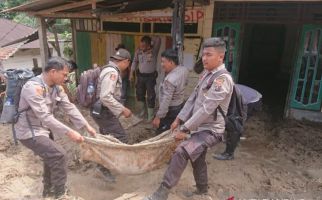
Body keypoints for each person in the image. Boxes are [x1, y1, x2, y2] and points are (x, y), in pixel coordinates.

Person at [144, 37, 234, 200]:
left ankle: (161, 193)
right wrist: (178, 119)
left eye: (209, 54)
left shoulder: (222, 79)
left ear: (221, 56)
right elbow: (192, 99)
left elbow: (207, 109)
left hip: (211, 130)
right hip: (199, 128)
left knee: (182, 151)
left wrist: (185, 129)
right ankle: (202, 189)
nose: (204, 58)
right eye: (203, 54)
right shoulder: (207, 74)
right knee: (197, 157)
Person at [14, 57, 97, 199]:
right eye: (64, 74)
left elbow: (69, 107)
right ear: (53, 72)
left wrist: (86, 125)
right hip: (29, 132)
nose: (66, 78)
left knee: (50, 157)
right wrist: (70, 132)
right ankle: (60, 193)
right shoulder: (33, 88)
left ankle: (48, 191)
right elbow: (45, 117)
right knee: (59, 155)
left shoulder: (57, 88)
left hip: (44, 130)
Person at [91, 48, 132, 182]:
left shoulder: (108, 69)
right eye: (128, 64)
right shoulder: (112, 72)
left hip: (100, 111)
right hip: (103, 111)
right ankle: (107, 166)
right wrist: (122, 109)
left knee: (107, 139)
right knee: (121, 137)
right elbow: (105, 97)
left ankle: (103, 167)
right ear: (126, 62)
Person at [213, 84, 262, 160]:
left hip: (252, 101)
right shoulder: (224, 88)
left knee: (234, 124)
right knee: (234, 122)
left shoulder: (227, 91)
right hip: (251, 97)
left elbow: (239, 110)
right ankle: (235, 140)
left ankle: (229, 154)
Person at [152, 49, 188, 134]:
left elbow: (166, 101)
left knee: (163, 132)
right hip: (179, 105)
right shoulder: (184, 70)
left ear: (171, 62)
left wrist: (158, 117)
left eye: (163, 62)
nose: (162, 64)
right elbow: (186, 83)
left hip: (170, 110)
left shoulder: (170, 80)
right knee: (174, 128)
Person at [129, 35, 161, 121]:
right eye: (141, 45)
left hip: (150, 77)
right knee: (140, 94)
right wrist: (131, 73)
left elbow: (158, 38)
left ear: (148, 45)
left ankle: (150, 116)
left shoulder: (154, 51)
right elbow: (134, 63)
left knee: (150, 96)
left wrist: (151, 41)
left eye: (143, 45)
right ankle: (143, 112)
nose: (141, 47)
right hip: (140, 77)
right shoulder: (138, 52)